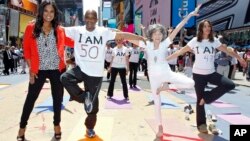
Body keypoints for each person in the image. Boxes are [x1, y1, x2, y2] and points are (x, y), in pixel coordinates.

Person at [60, 9, 146, 138]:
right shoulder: (77, 30)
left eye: (92, 19)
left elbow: (123, 35)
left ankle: (89, 127)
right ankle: (85, 98)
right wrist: (38, 22)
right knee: (65, 78)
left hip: (95, 74)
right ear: (84, 19)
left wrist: (140, 38)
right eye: (87, 18)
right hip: (81, 69)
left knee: (92, 109)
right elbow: (58, 28)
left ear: (96, 20)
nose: (89, 21)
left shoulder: (103, 32)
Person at [130, 5, 201, 138]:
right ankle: (160, 127)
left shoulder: (165, 43)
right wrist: (114, 33)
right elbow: (130, 38)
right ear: (151, 34)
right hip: (154, 78)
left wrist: (190, 15)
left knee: (191, 83)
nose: (157, 35)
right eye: (155, 33)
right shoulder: (147, 44)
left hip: (167, 73)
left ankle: (167, 86)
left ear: (163, 35)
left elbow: (178, 27)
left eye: (160, 33)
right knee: (157, 104)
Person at [167, 19, 247, 135]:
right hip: (198, 74)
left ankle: (207, 98)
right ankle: (201, 124)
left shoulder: (214, 41)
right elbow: (181, 51)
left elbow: (227, 50)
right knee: (200, 101)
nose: (208, 28)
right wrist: (165, 59)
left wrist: (240, 59)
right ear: (201, 29)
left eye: (209, 26)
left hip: (211, 73)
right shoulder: (195, 41)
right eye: (205, 26)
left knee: (229, 84)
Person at [17, 1, 66, 140]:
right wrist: (31, 69)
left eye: (52, 12)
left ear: (55, 14)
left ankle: (57, 125)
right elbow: (26, 49)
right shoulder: (31, 27)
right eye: (46, 11)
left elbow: (73, 41)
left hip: (56, 69)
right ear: (41, 12)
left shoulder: (60, 30)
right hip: (39, 70)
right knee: (30, 99)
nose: (48, 14)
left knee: (58, 100)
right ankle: (22, 128)